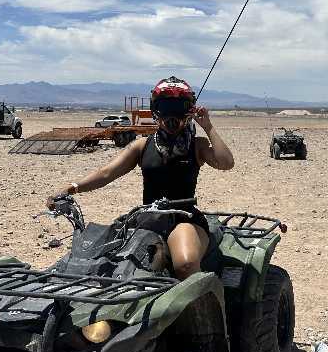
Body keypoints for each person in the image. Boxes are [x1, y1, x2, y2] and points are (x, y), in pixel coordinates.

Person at [46, 77, 234, 279]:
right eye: (165, 106)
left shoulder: (197, 145)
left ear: (189, 109)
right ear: (155, 109)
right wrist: (72, 187)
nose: (172, 114)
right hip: (148, 218)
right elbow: (106, 173)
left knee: (185, 264)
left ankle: (203, 297)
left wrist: (208, 126)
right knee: (112, 260)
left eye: (178, 107)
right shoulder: (142, 145)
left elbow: (226, 162)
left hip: (184, 219)